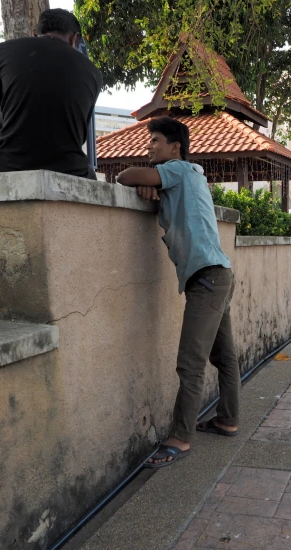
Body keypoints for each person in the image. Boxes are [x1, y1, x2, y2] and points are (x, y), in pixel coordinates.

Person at [117, 117, 240, 468]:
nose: (149, 146)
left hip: (206, 280)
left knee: (190, 364)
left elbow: (127, 175)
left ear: (175, 147)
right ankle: (227, 419)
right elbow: (146, 182)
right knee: (224, 357)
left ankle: (181, 437)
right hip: (217, 275)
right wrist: (153, 185)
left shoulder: (179, 169)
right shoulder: (187, 176)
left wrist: (147, 180)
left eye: (155, 140)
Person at [0, 9, 102, 179]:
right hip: (71, 169)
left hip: (9, 166)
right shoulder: (94, 73)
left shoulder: (1, 52)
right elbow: (78, 135)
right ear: (74, 38)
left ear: (35, 34)